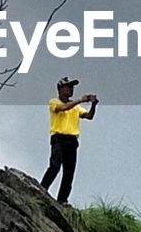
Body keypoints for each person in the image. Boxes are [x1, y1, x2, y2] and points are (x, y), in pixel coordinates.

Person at [40, 76, 98, 205]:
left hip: (72, 140)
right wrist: (80, 100)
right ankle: (42, 189)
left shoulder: (75, 107)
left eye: (72, 87)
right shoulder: (54, 102)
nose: (71, 90)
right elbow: (63, 108)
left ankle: (62, 199)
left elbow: (89, 116)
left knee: (69, 171)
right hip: (59, 138)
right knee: (55, 166)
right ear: (60, 89)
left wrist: (93, 105)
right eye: (68, 87)